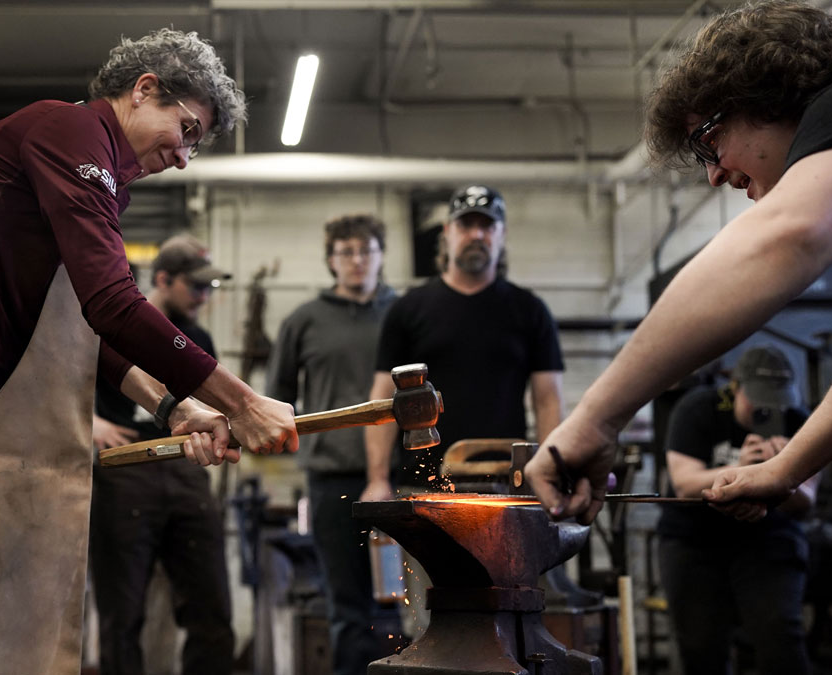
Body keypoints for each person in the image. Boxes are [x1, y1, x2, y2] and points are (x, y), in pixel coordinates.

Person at [0, 29, 297, 674]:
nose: (184, 157)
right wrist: (242, 402)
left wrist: (174, 408)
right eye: (186, 129)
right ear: (145, 89)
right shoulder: (69, 133)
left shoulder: (81, 169)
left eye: (196, 144)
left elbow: (84, 327)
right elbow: (113, 304)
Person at [523, 1, 832, 525]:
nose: (714, 175)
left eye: (710, 141)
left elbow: (785, 237)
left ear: (767, 93)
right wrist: (786, 468)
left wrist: (594, 419)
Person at [359, 185, 565, 633]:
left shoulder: (529, 311)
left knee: (507, 621)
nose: (477, 234)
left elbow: (548, 398)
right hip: (424, 491)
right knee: (428, 625)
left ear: (501, 235)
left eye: (487, 226)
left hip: (506, 491)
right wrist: (377, 478)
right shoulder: (409, 310)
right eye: (466, 225)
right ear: (447, 235)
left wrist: (550, 468)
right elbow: (383, 398)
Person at [89, 235, 235, 675]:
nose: (203, 296)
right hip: (125, 469)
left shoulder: (199, 337)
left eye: (209, 287)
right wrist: (89, 422)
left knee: (211, 610)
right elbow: (60, 381)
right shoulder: (114, 327)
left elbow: (211, 407)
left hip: (185, 469)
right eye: (196, 286)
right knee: (122, 614)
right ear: (163, 279)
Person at [265, 214, 397, 675]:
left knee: (412, 602)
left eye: (366, 250)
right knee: (346, 606)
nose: (357, 260)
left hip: (403, 478)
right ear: (331, 260)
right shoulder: (304, 321)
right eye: (346, 252)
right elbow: (276, 400)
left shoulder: (404, 314)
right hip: (331, 478)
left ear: (381, 256)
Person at [658, 345, 820, 675]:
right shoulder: (698, 409)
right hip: (694, 539)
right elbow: (685, 483)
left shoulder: (798, 420)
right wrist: (742, 470)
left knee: (780, 637)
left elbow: (807, 501)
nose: (766, 408)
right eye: (757, 399)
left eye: (775, 399)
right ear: (735, 388)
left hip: (767, 539)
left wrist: (782, 473)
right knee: (701, 647)